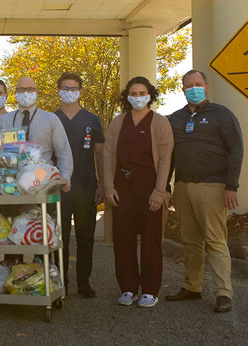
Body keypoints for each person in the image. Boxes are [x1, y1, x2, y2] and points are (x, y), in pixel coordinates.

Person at [165, 70, 243, 313]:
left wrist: (232, 186)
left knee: (215, 240)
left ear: (207, 87)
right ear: (183, 89)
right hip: (183, 187)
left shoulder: (222, 114)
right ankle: (192, 286)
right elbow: (169, 156)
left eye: (198, 84)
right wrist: (166, 186)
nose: (193, 88)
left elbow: (236, 150)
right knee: (190, 241)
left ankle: (223, 293)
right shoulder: (174, 119)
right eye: (189, 85)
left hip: (213, 186)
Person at [103, 76, 173, 308]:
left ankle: (150, 290)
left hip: (150, 189)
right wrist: (109, 187)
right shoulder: (117, 123)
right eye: (133, 93)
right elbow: (107, 156)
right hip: (122, 190)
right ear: (127, 97)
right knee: (123, 240)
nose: (138, 97)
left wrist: (159, 192)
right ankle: (128, 288)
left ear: (150, 95)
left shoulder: (160, 123)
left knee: (151, 242)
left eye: (142, 93)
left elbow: (165, 160)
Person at [53, 73, 105, 298]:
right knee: (59, 237)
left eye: (74, 88)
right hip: (58, 189)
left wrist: (103, 183)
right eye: (65, 88)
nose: (70, 91)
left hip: (86, 187)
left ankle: (84, 282)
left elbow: (100, 154)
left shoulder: (92, 120)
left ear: (80, 91)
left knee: (85, 236)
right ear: (59, 91)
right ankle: (60, 282)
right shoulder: (51, 119)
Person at [0, 77, 73, 192]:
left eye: (30, 89)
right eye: (21, 89)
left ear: (36, 92)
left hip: (43, 182)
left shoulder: (51, 119)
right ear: (15, 93)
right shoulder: (3, 121)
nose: (26, 93)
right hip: (10, 185)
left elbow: (63, 151)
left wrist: (65, 177)